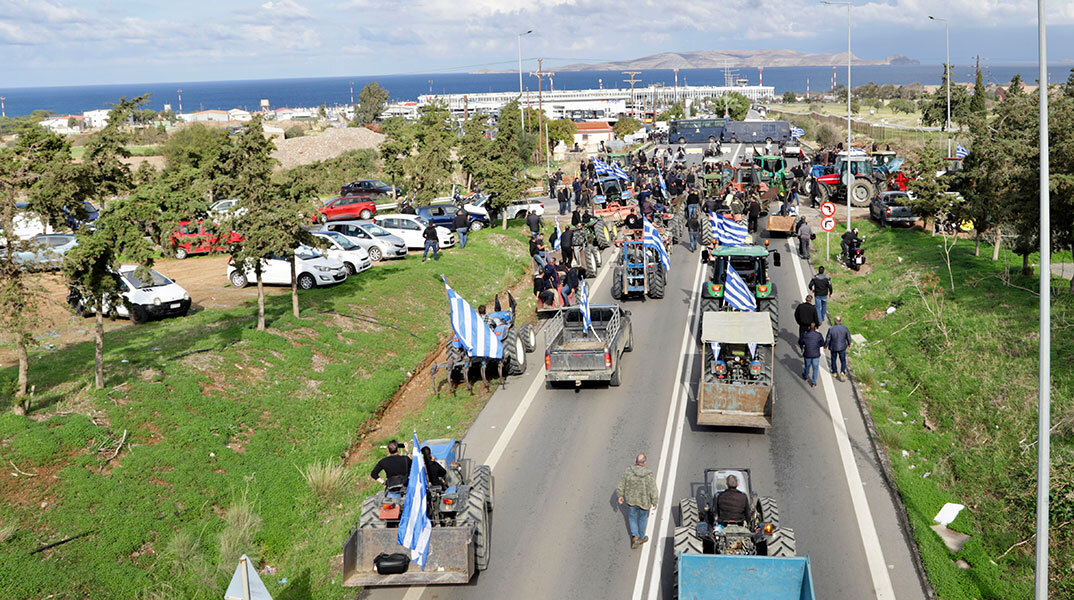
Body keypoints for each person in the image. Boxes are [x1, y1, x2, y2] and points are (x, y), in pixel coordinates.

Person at [616, 454, 659, 549]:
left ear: (636, 461)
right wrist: (654, 501)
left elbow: (622, 483)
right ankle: (641, 537)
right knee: (643, 519)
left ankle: (634, 536)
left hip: (631, 500)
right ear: (644, 463)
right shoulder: (648, 474)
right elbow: (653, 489)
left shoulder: (628, 470)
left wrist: (620, 495)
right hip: (644, 502)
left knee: (632, 518)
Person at [825, 315, 852, 381]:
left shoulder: (831, 329)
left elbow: (828, 339)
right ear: (840, 321)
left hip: (833, 347)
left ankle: (835, 372)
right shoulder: (845, 328)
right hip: (842, 347)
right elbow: (848, 337)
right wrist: (849, 344)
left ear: (835, 321)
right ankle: (842, 371)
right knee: (843, 360)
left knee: (833, 359)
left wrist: (825, 346)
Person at [799, 322, 824, 388]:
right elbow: (822, 343)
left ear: (809, 327)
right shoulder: (819, 335)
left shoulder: (805, 335)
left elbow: (800, 342)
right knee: (815, 368)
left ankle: (806, 376)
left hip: (807, 354)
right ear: (815, 328)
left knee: (807, 366)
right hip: (816, 354)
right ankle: (813, 383)